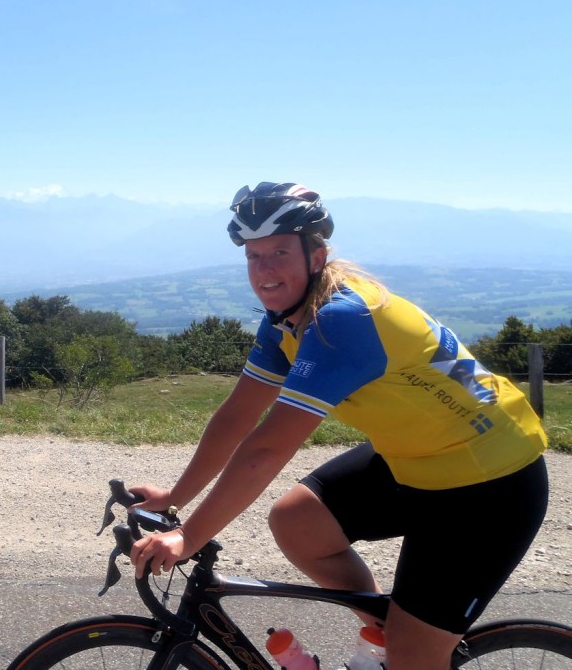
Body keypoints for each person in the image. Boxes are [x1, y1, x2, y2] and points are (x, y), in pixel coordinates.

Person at [129, 182, 549, 670]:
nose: (264, 270)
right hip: (415, 462)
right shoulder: (285, 319)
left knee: (413, 659)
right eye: (253, 256)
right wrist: (175, 497)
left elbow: (266, 449)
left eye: (279, 252)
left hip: (491, 484)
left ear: (316, 256)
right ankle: (387, 633)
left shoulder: (344, 320)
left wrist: (189, 537)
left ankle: (409, 648)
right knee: (298, 522)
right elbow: (236, 417)